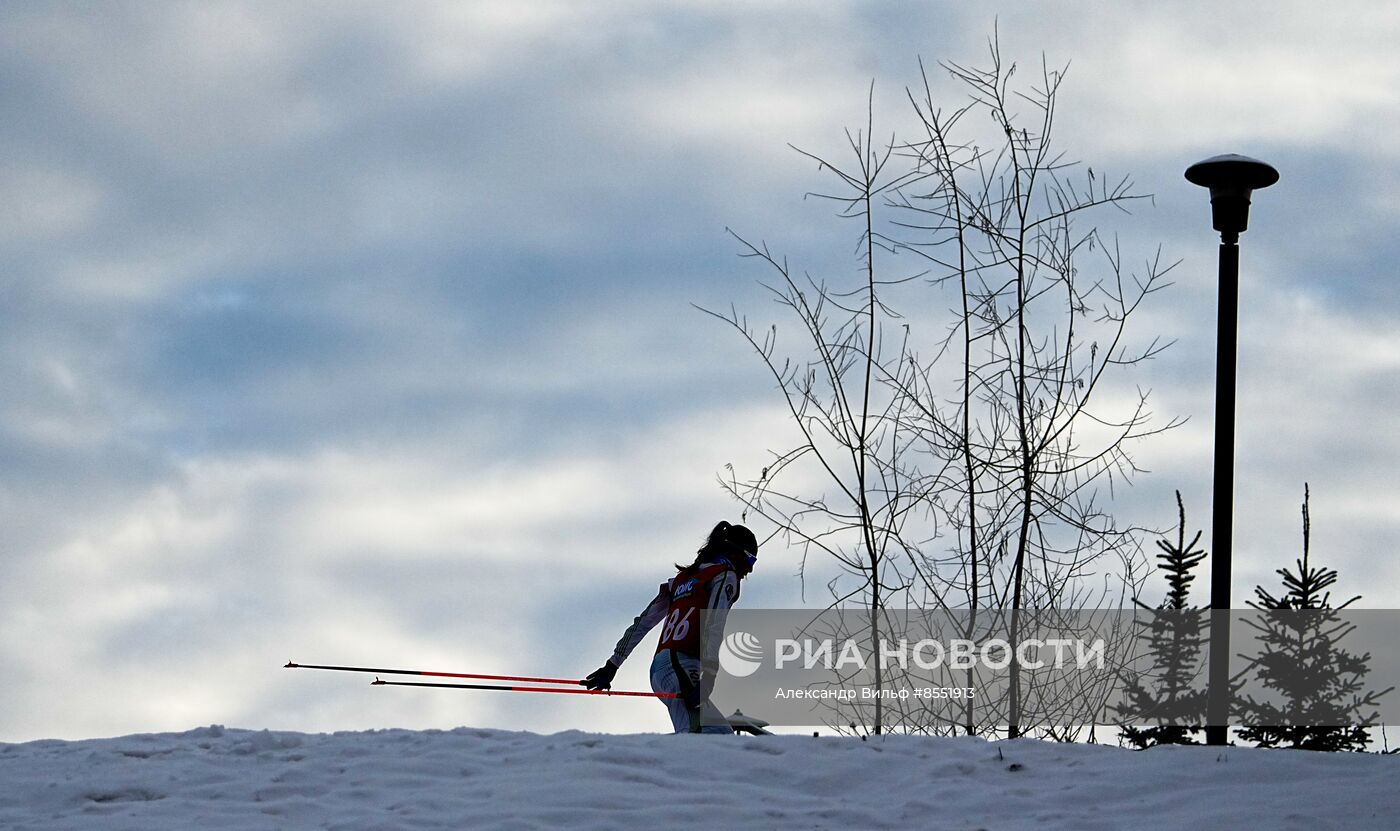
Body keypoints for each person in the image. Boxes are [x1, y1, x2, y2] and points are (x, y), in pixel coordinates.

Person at [581, 521, 758, 734]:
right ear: (735, 552)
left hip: (661, 669)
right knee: (710, 740)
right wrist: (709, 677)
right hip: (681, 665)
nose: (750, 568)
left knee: (717, 737)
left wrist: (612, 665)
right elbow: (714, 624)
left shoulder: (681, 580)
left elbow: (643, 622)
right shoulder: (724, 575)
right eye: (751, 559)